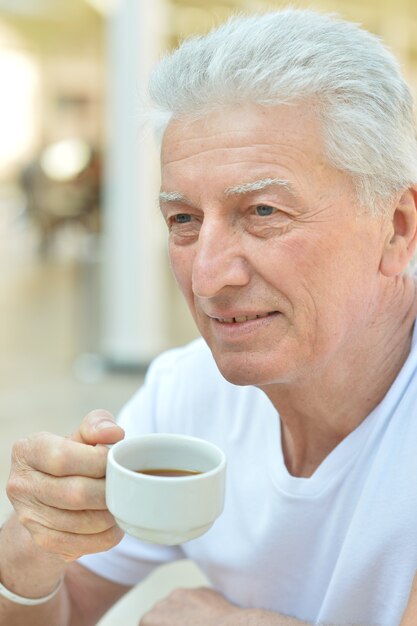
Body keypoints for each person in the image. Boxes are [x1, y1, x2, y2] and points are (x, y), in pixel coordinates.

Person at [1, 8, 417, 625]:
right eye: (184, 220)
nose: (207, 276)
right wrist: (31, 549)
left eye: (264, 212)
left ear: (397, 229)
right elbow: (60, 613)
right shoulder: (188, 391)